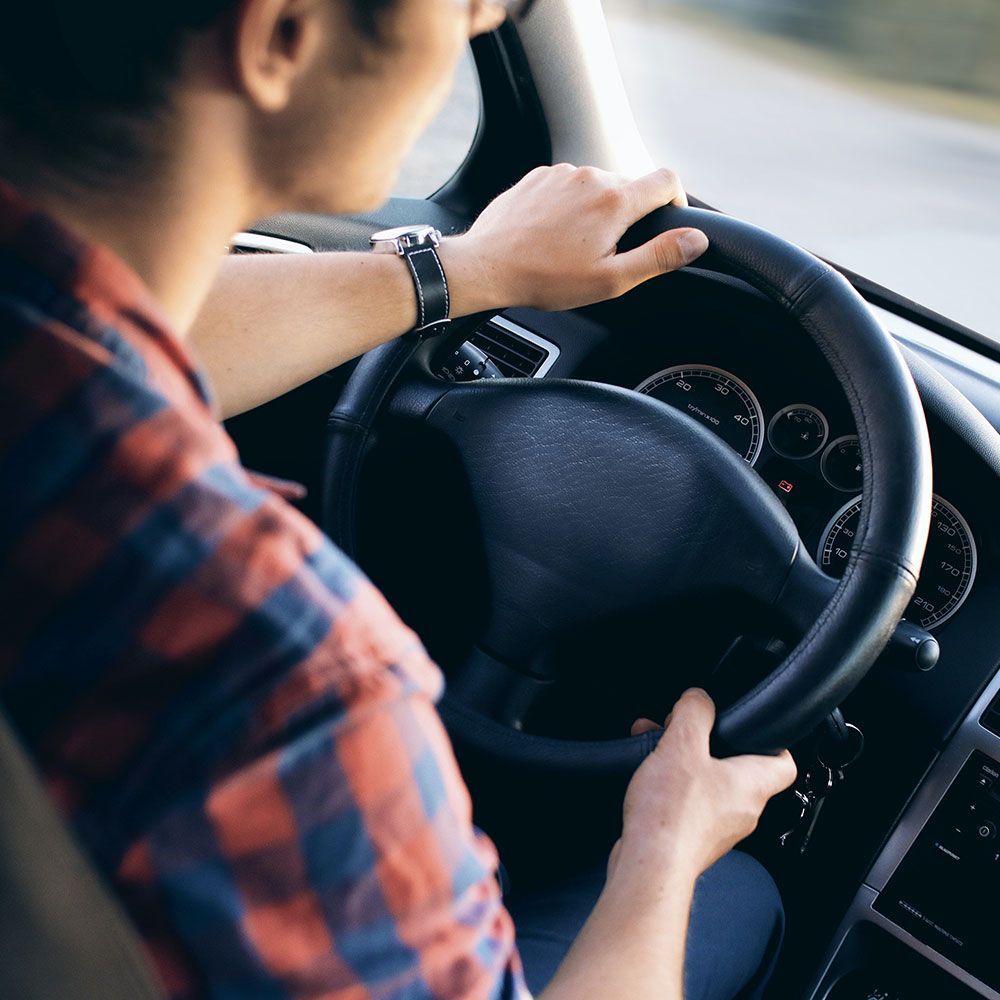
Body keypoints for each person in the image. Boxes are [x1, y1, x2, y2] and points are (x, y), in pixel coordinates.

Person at [0, 1, 797, 998]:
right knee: (738, 896)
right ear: (279, 34)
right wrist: (663, 848)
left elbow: (117, 337)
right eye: (470, 0)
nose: (480, 19)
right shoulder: (279, 681)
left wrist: (468, 268)